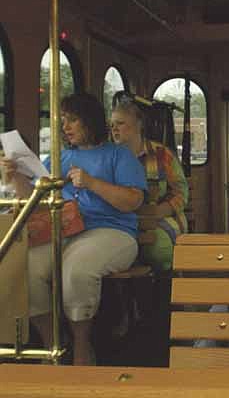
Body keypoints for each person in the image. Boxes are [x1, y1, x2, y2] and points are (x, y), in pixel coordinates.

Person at [1, 92, 146, 365]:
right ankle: (52, 341)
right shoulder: (60, 158)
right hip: (66, 230)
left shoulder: (118, 155)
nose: (65, 127)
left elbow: (132, 201)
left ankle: (82, 344)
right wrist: (15, 177)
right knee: (24, 268)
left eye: (73, 120)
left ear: (90, 121)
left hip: (111, 231)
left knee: (76, 271)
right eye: (63, 121)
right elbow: (36, 199)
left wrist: (91, 183)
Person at [110, 100, 189, 273]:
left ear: (139, 125)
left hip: (159, 218)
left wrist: (160, 211)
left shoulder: (162, 154)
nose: (114, 129)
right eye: (112, 124)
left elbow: (181, 192)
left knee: (159, 250)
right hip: (120, 221)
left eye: (120, 123)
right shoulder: (107, 157)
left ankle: (166, 289)